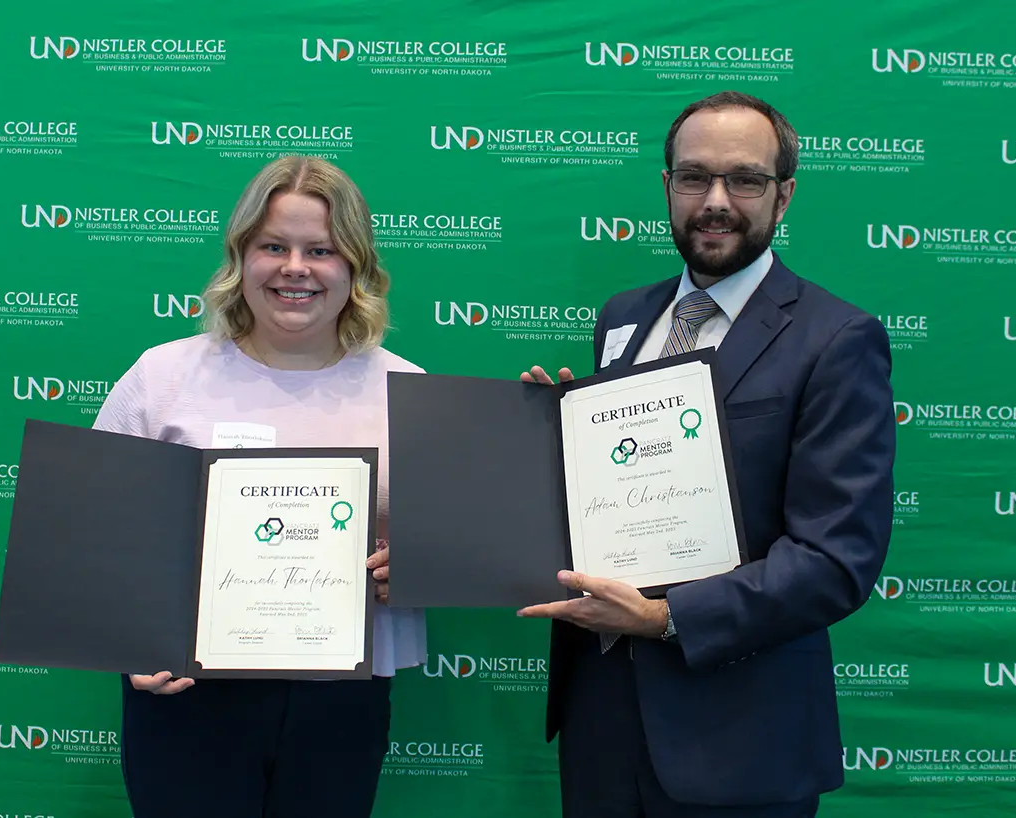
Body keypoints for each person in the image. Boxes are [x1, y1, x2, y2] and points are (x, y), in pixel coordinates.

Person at [518, 91, 896, 817]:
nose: (715, 201)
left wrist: (665, 618)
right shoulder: (624, 316)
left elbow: (835, 560)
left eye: (744, 179)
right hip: (603, 720)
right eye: (694, 177)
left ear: (784, 194)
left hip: (740, 735)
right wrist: (550, 441)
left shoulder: (836, 339)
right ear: (667, 186)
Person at [91, 155, 426, 818]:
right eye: (273, 246)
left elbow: (446, 546)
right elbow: (91, 533)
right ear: (241, 256)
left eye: (320, 250)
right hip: (186, 687)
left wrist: (417, 567)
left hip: (341, 698)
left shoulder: (409, 391)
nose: (295, 268)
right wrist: (129, 643)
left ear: (355, 265)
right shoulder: (162, 378)